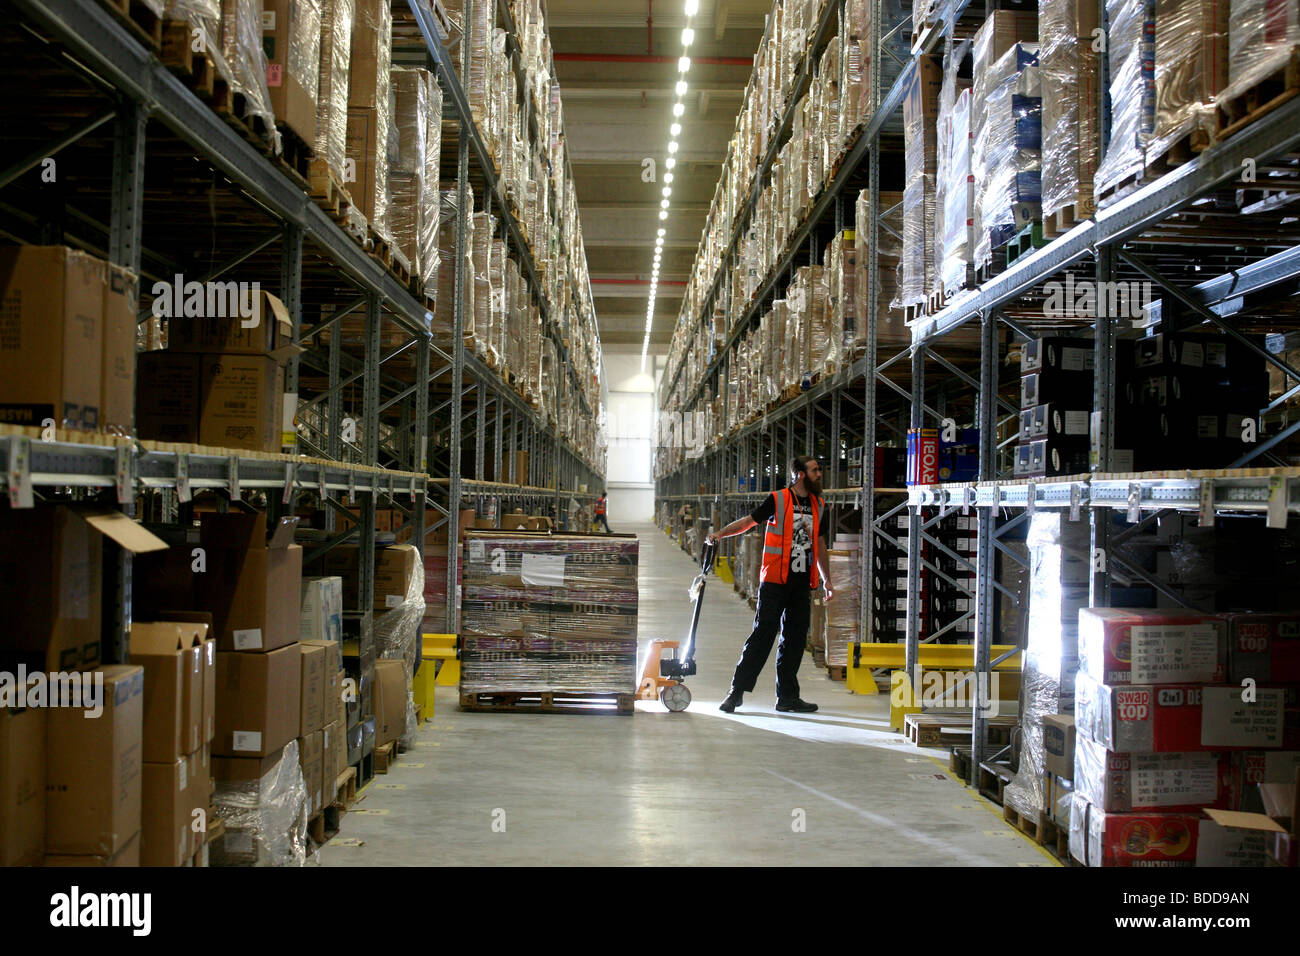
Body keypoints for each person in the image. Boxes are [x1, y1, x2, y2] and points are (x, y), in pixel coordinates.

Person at [707, 455, 832, 714]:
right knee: (762, 636)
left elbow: (819, 544)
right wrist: (720, 533)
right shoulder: (778, 499)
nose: (819, 474)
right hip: (775, 581)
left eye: (820, 470)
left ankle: (787, 697)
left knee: (795, 640)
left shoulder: (820, 504)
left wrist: (827, 579)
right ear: (799, 474)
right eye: (814, 470)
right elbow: (748, 522)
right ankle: (736, 692)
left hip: (801, 584)